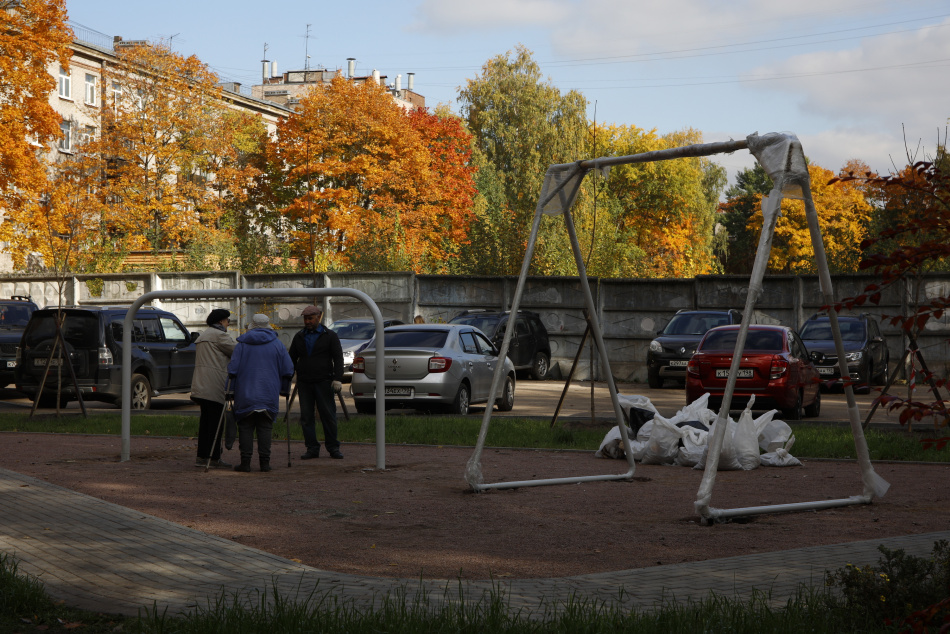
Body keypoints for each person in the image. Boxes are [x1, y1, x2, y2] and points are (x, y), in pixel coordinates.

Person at [227, 313, 294, 473]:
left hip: (245, 393)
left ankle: (245, 463)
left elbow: (232, 369)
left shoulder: (242, 345)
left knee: (245, 426)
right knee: (265, 427)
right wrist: (284, 388)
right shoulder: (277, 344)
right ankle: (265, 463)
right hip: (268, 393)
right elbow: (288, 369)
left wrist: (229, 391)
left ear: (252, 326)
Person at [289, 305, 344, 460]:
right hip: (305, 383)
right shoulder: (299, 336)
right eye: (305, 319)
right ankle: (312, 448)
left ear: (318, 317)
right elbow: (291, 358)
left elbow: (338, 358)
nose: (307, 321)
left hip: (324, 381)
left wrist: (338, 378)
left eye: (310, 318)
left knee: (328, 415)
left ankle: (333, 448)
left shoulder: (330, 336)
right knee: (306, 417)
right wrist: (287, 377)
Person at [190, 308, 236, 469]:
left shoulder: (204, 335)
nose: (228, 324)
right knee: (216, 424)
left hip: (201, 385)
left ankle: (202, 456)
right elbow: (237, 351)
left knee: (205, 423)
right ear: (221, 321)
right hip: (214, 385)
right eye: (228, 321)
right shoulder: (220, 336)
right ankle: (214, 458)